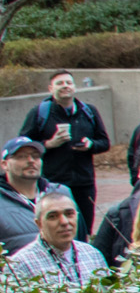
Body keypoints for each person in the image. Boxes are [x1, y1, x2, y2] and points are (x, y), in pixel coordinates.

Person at [17, 70, 110, 233]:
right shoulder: (40, 113)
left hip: (84, 182)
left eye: (68, 83)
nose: (65, 86)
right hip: (53, 182)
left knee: (83, 228)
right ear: (50, 89)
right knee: (54, 228)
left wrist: (90, 145)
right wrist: (49, 144)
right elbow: (24, 146)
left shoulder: (89, 112)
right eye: (60, 83)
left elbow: (104, 142)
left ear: (74, 87)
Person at [4, 190, 109, 284]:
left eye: (69, 214)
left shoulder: (93, 254)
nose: (64, 222)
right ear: (39, 223)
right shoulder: (20, 264)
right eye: (53, 216)